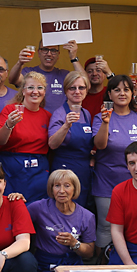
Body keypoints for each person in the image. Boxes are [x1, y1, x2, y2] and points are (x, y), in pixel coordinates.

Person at [91, 74, 137, 248]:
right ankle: (101, 265)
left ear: (133, 93)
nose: (122, 93)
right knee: (105, 225)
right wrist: (106, 122)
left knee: (134, 226)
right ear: (109, 94)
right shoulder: (99, 117)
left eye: (126, 89)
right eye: (116, 90)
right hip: (106, 182)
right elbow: (99, 145)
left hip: (136, 182)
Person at [28, 170, 96, 272]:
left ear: (75, 189)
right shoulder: (39, 208)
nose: (62, 191)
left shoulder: (86, 216)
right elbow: (18, 217)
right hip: (46, 266)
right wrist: (16, 199)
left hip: (71, 267)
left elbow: (90, 252)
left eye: (67, 186)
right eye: (57, 186)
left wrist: (75, 244)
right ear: (51, 189)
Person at [0, 70, 52, 203]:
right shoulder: (10, 110)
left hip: (38, 171)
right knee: (12, 208)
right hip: (12, 168)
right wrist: (9, 124)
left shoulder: (47, 116)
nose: (35, 91)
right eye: (30, 87)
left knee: (36, 209)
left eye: (40, 88)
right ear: (23, 91)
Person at [47, 71, 95, 207]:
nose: (77, 91)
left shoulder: (86, 114)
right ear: (65, 90)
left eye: (81, 88)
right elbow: (52, 144)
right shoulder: (60, 114)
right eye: (72, 88)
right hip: (65, 170)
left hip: (84, 170)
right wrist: (66, 126)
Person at [10, 40, 84, 112]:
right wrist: (20, 63)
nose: (49, 54)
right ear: (39, 53)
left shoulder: (64, 75)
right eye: (45, 49)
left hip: (59, 122)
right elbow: (13, 80)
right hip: (36, 120)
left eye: (53, 51)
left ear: (58, 54)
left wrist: (74, 58)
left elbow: (86, 84)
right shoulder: (28, 72)